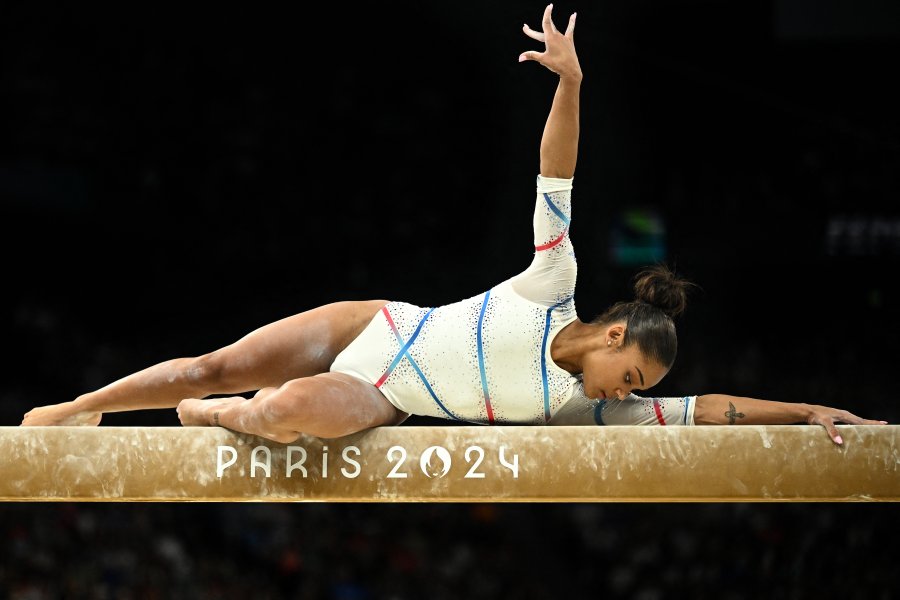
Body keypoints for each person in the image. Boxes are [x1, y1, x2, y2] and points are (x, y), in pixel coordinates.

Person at [21, 5, 885, 446]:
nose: (631, 394)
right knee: (211, 362)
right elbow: (559, 172)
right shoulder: (553, 286)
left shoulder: (582, 411)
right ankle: (76, 407)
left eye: (637, 390)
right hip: (377, 327)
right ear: (614, 330)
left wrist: (807, 411)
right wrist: (572, 86)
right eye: (632, 373)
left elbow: (712, 412)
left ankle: (213, 419)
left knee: (281, 416)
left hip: (386, 395)